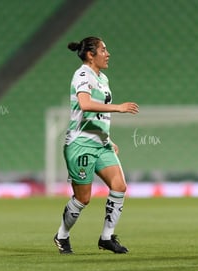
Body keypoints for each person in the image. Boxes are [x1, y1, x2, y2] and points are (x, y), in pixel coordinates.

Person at [53, 36, 139, 254]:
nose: (107, 53)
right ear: (91, 55)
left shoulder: (103, 78)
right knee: (83, 198)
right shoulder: (82, 74)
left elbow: (98, 115)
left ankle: (106, 237)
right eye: (103, 50)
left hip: (101, 144)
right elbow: (85, 104)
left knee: (119, 186)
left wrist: (108, 139)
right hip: (80, 144)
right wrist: (119, 107)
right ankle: (62, 235)